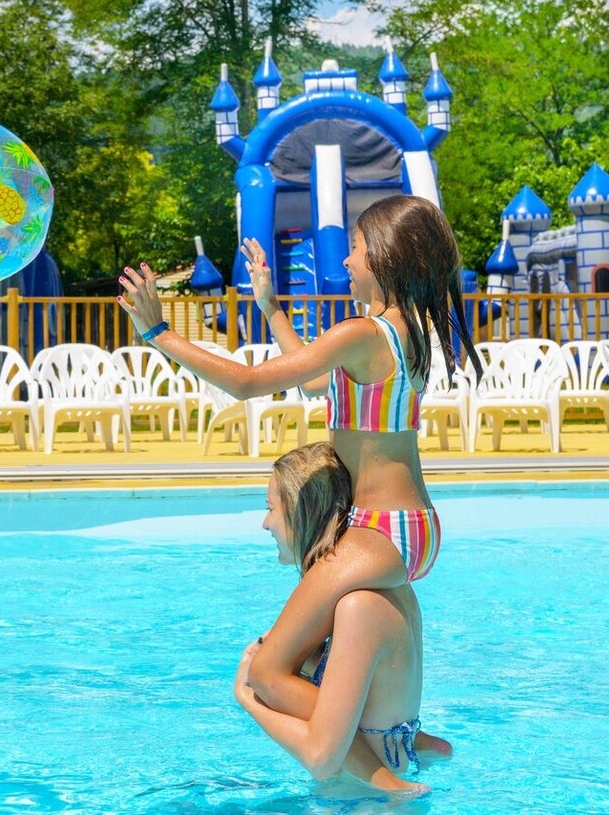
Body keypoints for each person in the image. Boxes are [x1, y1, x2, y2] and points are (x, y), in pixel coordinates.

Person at [118, 195, 481, 726]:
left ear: (385, 255)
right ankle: (387, 736)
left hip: (378, 531)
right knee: (309, 660)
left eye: (355, 248)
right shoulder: (407, 333)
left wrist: (159, 333)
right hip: (410, 526)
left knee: (267, 671)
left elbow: (247, 383)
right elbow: (313, 383)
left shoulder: (362, 333)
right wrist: (270, 307)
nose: (346, 260)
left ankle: (378, 746)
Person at [234, 442, 449, 793]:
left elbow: (322, 758)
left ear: (302, 513)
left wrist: (247, 698)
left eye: (271, 508)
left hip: (364, 803)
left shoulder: (358, 608)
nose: (265, 523)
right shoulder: (398, 594)